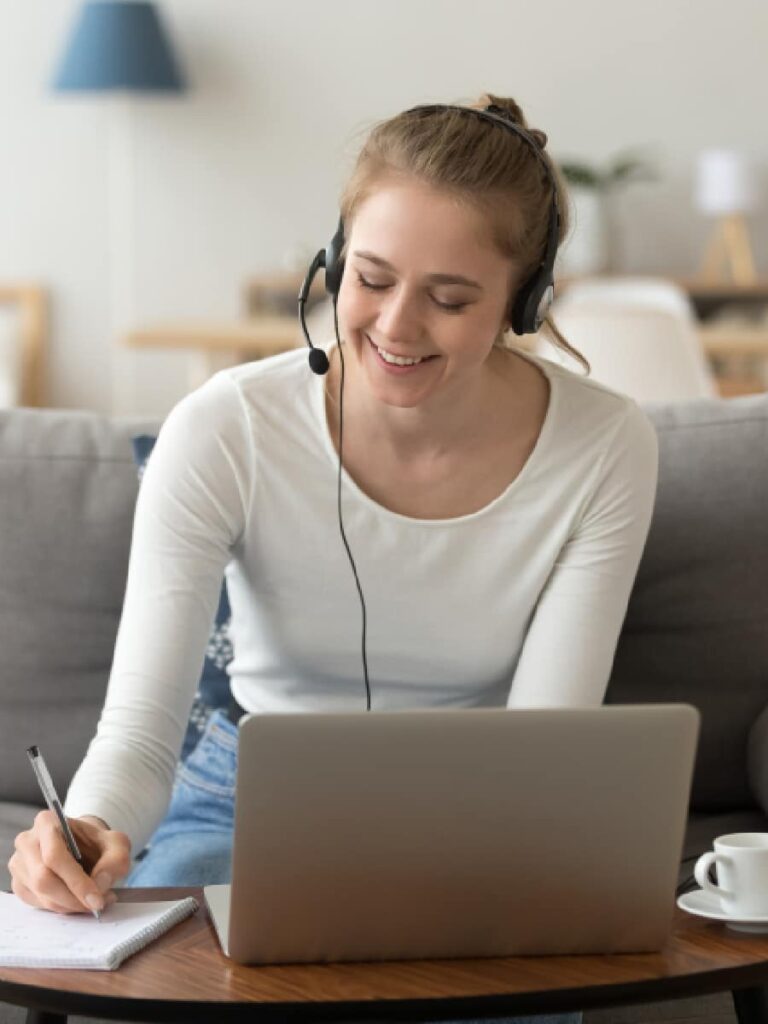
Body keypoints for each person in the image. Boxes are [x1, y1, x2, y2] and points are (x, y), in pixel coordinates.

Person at [9, 93, 657, 1024]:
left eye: (450, 297)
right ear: (331, 261)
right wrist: (90, 829)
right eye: (371, 277)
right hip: (247, 794)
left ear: (526, 300)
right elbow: (143, 736)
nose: (395, 327)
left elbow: (542, 749)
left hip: (486, 811)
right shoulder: (224, 429)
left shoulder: (604, 444)